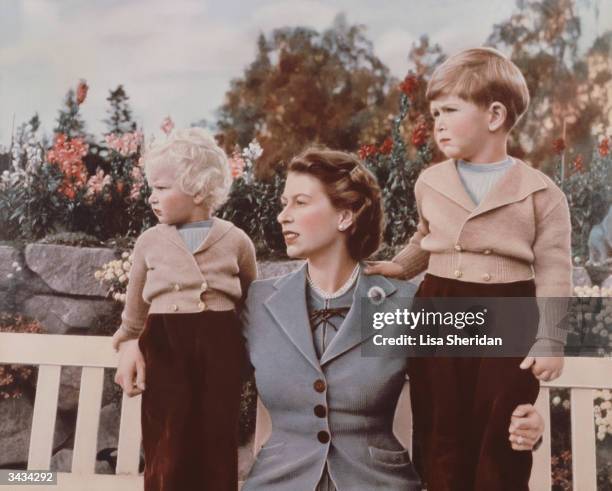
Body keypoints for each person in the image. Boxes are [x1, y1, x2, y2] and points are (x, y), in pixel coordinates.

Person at [115, 146, 546, 490]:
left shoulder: (400, 304)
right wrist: (132, 341)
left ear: (345, 215)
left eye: (300, 202)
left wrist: (526, 419)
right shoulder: (259, 304)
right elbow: (191, 358)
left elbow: (497, 355)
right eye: (284, 203)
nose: (283, 215)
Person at [365, 47, 571, 490]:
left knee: (501, 428)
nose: (436, 122)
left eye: (450, 110)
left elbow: (555, 267)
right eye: (434, 111)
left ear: (494, 115)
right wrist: (402, 267)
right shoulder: (431, 182)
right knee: (440, 425)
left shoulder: (541, 192)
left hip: (508, 311)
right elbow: (425, 236)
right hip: (440, 304)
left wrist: (551, 337)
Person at [111, 127, 257, 491]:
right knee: (168, 437)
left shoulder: (236, 240)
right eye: (151, 189)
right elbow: (135, 309)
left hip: (220, 344)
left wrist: (256, 349)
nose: (151, 198)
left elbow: (253, 301)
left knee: (216, 435)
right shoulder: (149, 242)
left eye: (161, 188)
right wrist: (128, 343)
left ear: (197, 189)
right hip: (166, 345)